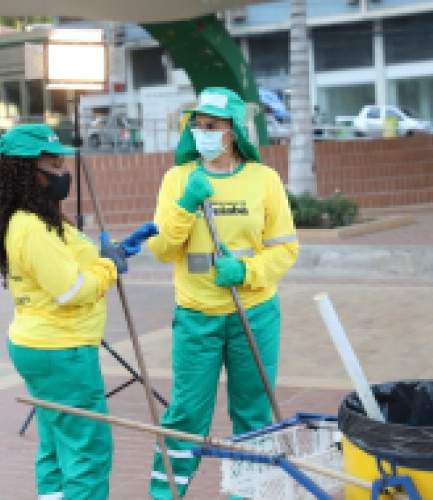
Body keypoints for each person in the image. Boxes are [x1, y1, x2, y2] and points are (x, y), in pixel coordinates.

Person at [0, 123, 158, 500]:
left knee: (56, 442)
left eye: (62, 162)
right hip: (60, 352)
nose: (62, 172)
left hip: (45, 348)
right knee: (88, 451)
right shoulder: (30, 226)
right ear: (28, 171)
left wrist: (114, 250)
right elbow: (71, 289)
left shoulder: (42, 218)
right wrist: (110, 267)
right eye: (53, 164)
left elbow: (78, 260)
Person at [146, 87, 299, 498]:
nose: (202, 132)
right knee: (186, 415)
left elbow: (286, 248)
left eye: (211, 126)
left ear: (232, 130)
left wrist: (246, 270)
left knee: (253, 414)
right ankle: (165, 494)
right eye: (196, 125)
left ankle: (245, 493)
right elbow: (161, 249)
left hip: (254, 312)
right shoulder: (178, 179)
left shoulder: (263, 180)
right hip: (197, 316)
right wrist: (186, 204)